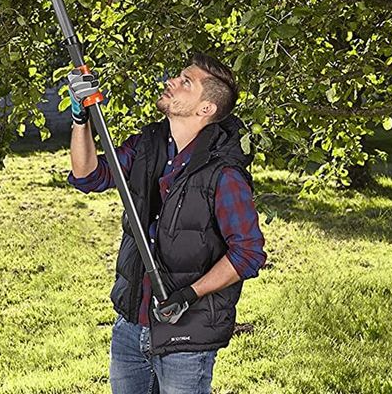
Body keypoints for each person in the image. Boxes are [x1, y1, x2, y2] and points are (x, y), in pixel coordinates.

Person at [67, 52, 266, 394]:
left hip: (186, 337)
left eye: (185, 82)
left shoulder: (223, 172)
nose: (170, 82)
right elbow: (89, 176)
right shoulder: (149, 145)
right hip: (132, 323)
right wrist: (80, 116)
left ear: (206, 108)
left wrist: (189, 294)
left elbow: (248, 254)